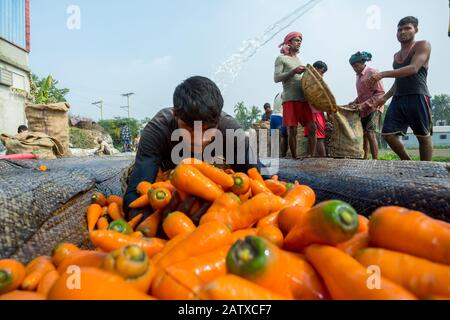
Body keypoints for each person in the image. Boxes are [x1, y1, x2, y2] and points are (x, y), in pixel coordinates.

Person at [124, 76, 262, 218]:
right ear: (176, 115)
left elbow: (259, 177)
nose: (199, 140)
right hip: (167, 184)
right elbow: (134, 195)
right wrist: (158, 220)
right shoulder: (158, 130)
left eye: (207, 130)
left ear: (217, 120)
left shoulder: (229, 131)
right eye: (189, 129)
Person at [367, 16, 433, 161]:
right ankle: (408, 162)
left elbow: (413, 68)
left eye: (407, 28)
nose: (402, 32)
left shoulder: (423, 45)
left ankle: (426, 170)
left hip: (418, 95)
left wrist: (382, 74)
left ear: (416, 29)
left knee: (423, 135)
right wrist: (384, 98)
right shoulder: (396, 56)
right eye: (399, 30)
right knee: (388, 134)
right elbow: (399, 79)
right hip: (399, 98)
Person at [274, 31, 316, 159]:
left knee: (312, 127)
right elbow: (276, 78)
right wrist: (293, 71)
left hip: (303, 98)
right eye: (296, 40)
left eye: (300, 41)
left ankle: (311, 155)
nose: (299, 43)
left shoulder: (298, 59)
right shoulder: (281, 59)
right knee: (292, 129)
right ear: (289, 42)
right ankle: (294, 156)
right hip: (290, 98)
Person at [349, 52, 385, 160]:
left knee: (370, 133)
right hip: (364, 110)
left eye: (356, 66)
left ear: (362, 63)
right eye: (353, 67)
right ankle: (364, 158)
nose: (355, 68)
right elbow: (363, 94)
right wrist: (355, 101)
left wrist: (363, 105)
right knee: (363, 134)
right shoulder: (358, 77)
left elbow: (380, 93)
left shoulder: (373, 72)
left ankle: (375, 160)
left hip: (375, 107)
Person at [304, 61, 329, 157]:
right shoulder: (314, 82)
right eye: (322, 72)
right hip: (315, 112)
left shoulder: (308, 80)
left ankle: (312, 158)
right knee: (319, 138)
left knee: (312, 137)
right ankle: (322, 160)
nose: (322, 75)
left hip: (313, 111)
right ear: (316, 69)